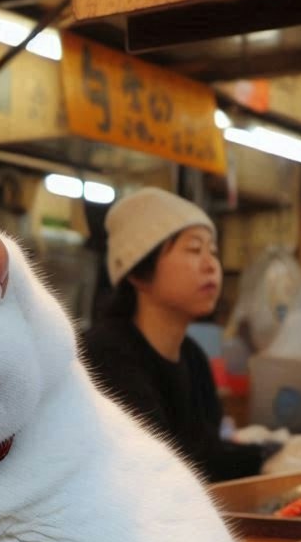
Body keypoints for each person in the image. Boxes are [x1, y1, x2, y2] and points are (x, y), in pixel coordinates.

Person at [83, 186, 273, 482]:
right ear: (138, 271)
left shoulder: (193, 357)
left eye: (213, 251)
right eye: (194, 249)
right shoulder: (105, 354)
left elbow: (208, 452)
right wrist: (264, 456)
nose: (211, 265)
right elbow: (159, 466)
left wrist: (269, 454)